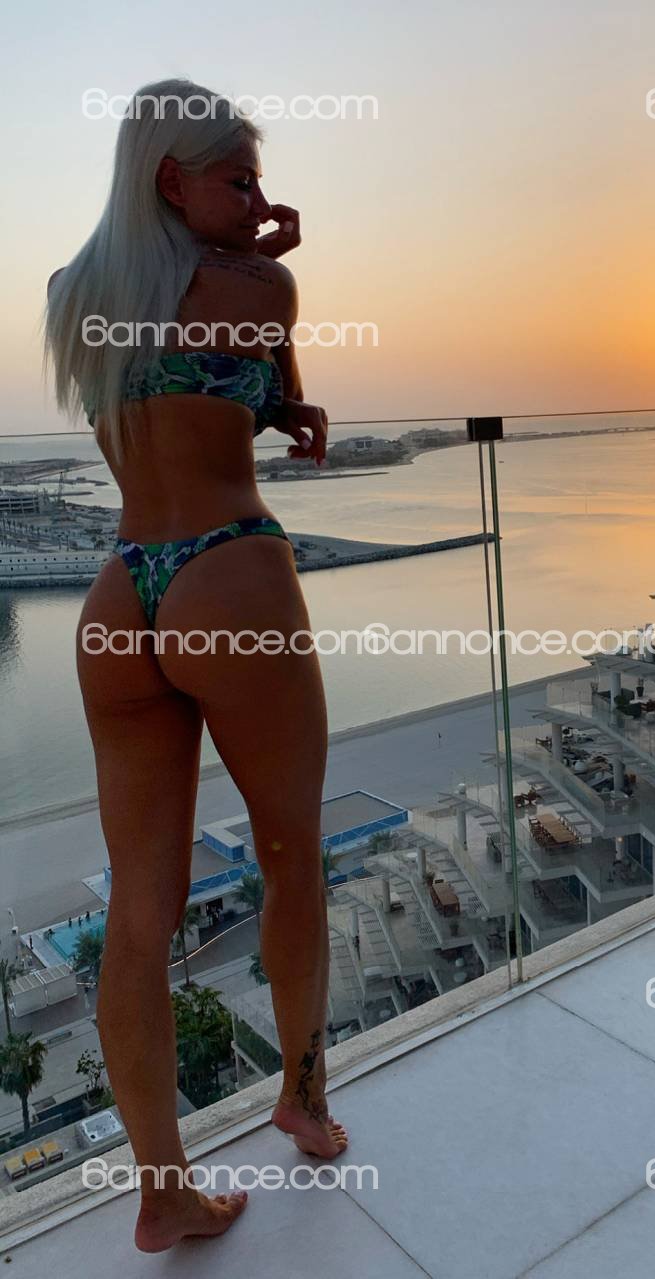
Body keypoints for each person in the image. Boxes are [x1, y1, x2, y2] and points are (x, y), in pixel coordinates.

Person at [45, 79, 346, 1253]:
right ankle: (303, 1100)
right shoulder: (260, 285)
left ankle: (162, 1190)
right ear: (173, 178)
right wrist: (269, 273)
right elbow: (269, 384)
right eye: (240, 179)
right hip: (229, 572)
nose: (262, 201)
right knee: (290, 852)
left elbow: (189, 397)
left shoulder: (78, 294)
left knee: (139, 905)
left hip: (124, 593)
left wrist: (276, 402)